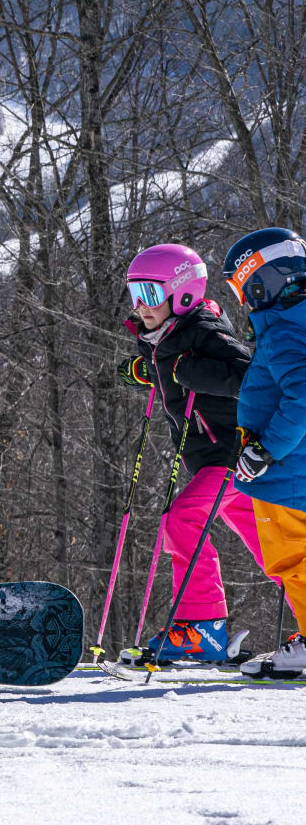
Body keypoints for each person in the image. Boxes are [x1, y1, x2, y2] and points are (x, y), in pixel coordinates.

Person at [117, 242, 266, 662]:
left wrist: (192, 371)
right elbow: (170, 368)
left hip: (232, 454)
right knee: (271, 545)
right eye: (135, 295)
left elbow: (247, 376)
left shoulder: (206, 332)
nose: (142, 307)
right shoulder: (165, 336)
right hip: (210, 458)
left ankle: (203, 629)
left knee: (182, 519)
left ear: (183, 293)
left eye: (150, 295)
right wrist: (144, 370)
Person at [221, 228, 306, 678]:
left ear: (263, 281)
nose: (244, 300)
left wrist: (266, 450)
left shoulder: (283, 332)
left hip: (286, 473)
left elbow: (304, 394)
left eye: (242, 288)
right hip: (294, 468)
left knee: (292, 559)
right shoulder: (298, 322)